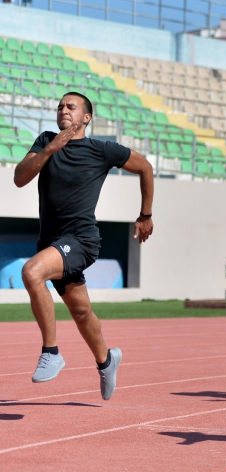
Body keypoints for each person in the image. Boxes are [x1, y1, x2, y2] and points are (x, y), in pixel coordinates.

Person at [13, 92, 154, 400]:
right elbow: (20, 178)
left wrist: (145, 215)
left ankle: (51, 352)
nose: (63, 110)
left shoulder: (101, 150)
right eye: (60, 106)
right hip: (51, 241)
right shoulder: (45, 141)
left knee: (32, 272)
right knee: (81, 311)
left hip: (81, 239)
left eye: (70, 106)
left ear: (86, 117)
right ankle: (106, 361)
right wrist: (50, 149)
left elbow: (145, 167)